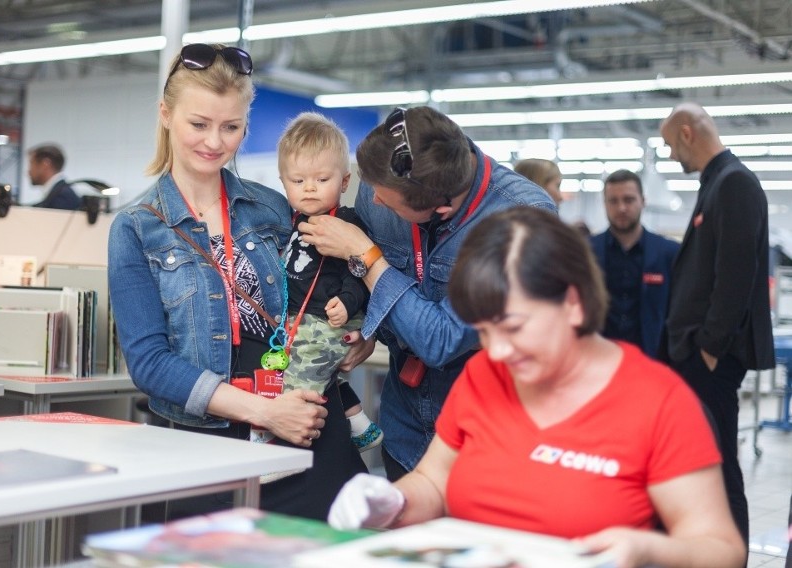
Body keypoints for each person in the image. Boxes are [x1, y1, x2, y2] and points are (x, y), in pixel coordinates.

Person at [328, 207, 746, 568]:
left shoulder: (659, 402)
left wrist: (646, 549)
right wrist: (391, 503)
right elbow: (434, 483)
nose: (497, 351)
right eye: (484, 332)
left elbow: (721, 550)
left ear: (574, 302)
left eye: (513, 328)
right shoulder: (484, 377)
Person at [107, 43, 367, 521]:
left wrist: (357, 332)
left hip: (304, 427)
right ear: (166, 116)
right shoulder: (137, 227)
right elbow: (149, 363)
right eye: (199, 124)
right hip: (205, 445)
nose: (214, 142)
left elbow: (328, 283)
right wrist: (262, 411)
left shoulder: (274, 209)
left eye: (231, 127)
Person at [297, 106, 555, 481]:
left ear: (441, 208)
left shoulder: (522, 218)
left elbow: (442, 339)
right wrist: (363, 328)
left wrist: (367, 256)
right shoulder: (384, 182)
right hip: (405, 429)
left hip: (486, 434)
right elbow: (363, 287)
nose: (374, 202)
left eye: (388, 201)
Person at [659, 102, 775, 553]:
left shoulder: (735, 184)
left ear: (688, 133)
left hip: (712, 360)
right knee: (702, 465)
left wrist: (709, 346)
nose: (671, 156)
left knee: (720, 468)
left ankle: (732, 556)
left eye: (670, 145)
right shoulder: (718, 183)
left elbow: (737, 275)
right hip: (699, 356)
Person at [269, 111, 382, 453]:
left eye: (321, 179)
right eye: (298, 181)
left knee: (300, 380)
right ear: (283, 181)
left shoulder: (346, 222)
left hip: (330, 319)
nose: (310, 189)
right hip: (298, 320)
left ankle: (287, 448)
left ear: (345, 182)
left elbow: (359, 273)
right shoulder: (286, 222)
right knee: (314, 370)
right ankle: (359, 423)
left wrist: (348, 301)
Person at [590, 169, 679, 358]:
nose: (621, 208)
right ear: (604, 204)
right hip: (598, 359)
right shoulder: (586, 252)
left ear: (643, 201)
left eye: (628, 200)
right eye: (613, 201)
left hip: (653, 361)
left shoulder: (668, 253)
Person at [28, 144, 82, 210]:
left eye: (32, 164)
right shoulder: (57, 192)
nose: (29, 171)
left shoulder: (62, 197)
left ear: (45, 164)